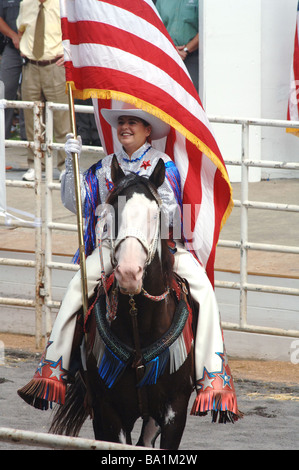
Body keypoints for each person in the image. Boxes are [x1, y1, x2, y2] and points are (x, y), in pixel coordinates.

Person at [18, 106, 239, 420]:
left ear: (147, 130)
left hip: (158, 249)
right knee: (75, 289)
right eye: (121, 122)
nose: (125, 127)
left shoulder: (164, 166)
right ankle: (56, 368)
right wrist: (70, 164)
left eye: (132, 122)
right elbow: (75, 203)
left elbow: (172, 212)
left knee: (202, 288)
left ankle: (212, 376)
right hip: (112, 249)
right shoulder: (104, 166)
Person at [16, 0, 70, 181]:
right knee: (31, 118)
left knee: (63, 118)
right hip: (30, 66)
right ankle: (35, 166)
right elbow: (21, 29)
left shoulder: (64, 3)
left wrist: (68, 52)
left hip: (55, 65)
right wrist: (25, 47)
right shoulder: (26, 3)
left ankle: (65, 167)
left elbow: (74, 31)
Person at [154, 0, 199, 92]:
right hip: (166, 56)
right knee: (166, 94)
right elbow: (155, 28)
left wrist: (185, 50)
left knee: (192, 95)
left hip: (192, 57)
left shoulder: (199, 2)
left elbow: (205, 29)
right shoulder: (161, 2)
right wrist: (169, 50)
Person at [0, 0, 26, 141]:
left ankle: (28, 138)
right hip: (11, 47)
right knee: (4, 90)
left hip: (35, 51)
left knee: (29, 94)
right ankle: (3, 136)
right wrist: (13, 36)